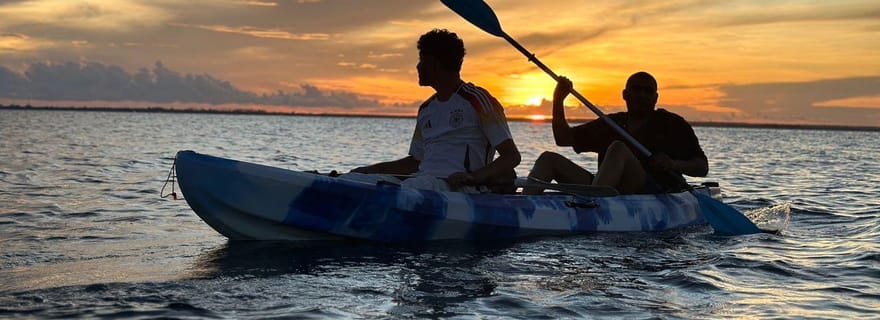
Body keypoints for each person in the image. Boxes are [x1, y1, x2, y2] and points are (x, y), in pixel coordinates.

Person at [349, 29, 521, 193]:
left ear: (433, 63)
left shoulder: (478, 100)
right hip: (422, 183)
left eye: (421, 60)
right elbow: (416, 162)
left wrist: (473, 177)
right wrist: (369, 170)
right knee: (353, 180)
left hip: (462, 191)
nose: (418, 66)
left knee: (414, 186)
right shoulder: (426, 109)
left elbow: (511, 157)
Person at [524, 71, 707, 195]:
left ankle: (592, 205)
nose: (641, 95)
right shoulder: (611, 123)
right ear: (625, 94)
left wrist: (673, 164)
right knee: (548, 159)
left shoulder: (672, 124)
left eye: (647, 91)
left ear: (655, 98)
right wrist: (558, 99)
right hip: (606, 189)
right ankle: (518, 207)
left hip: (650, 191)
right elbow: (563, 139)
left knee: (618, 148)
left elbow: (701, 167)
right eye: (636, 90)